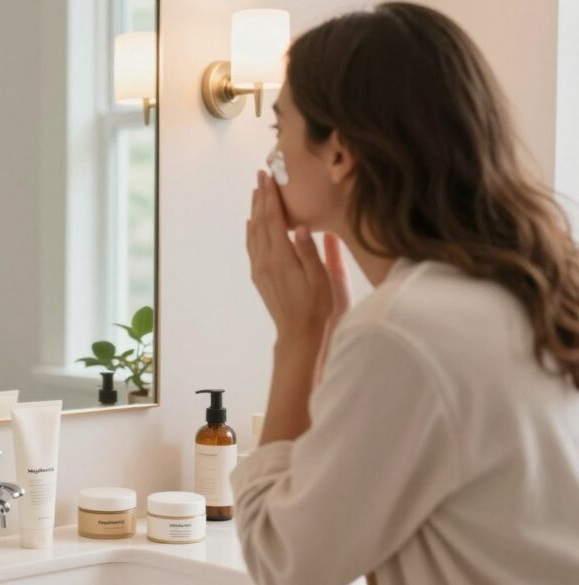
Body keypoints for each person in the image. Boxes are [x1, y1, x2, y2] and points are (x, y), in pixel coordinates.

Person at [235, 3, 579, 584]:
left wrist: (298, 339)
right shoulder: (522, 289)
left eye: (278, 128)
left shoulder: (400, 333)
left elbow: (284, 564)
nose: (273, 155)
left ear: (339, 153)